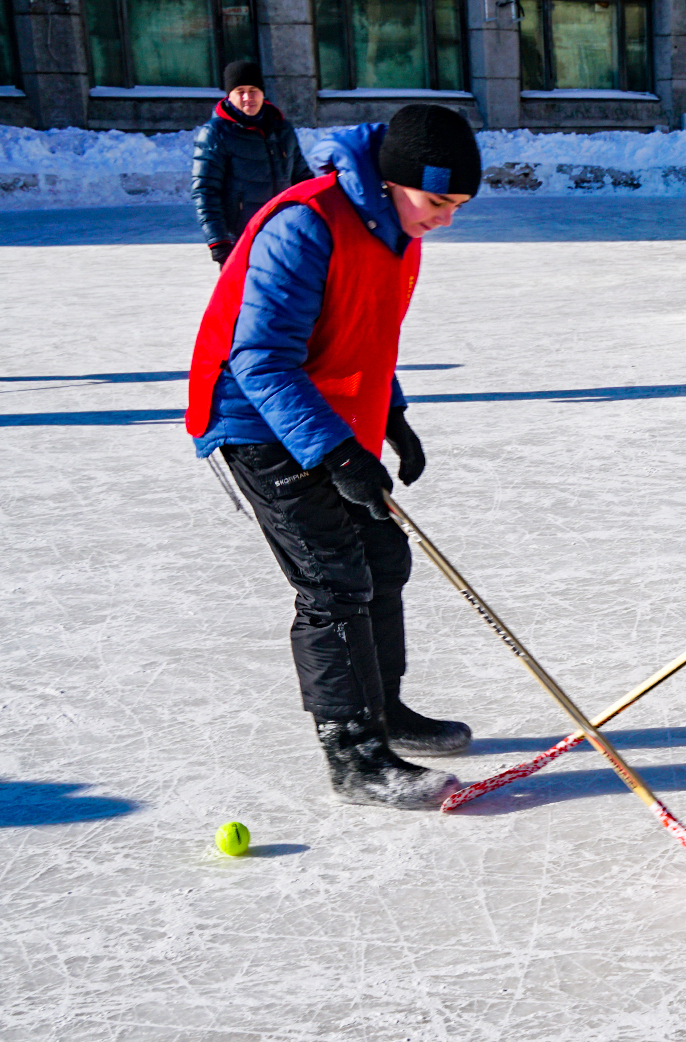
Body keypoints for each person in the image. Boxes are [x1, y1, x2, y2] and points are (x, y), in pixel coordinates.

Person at [186, 105, 482, 809]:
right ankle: (353, 753)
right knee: (334, 581)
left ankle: (383, 710)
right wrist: (339, 453)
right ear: (395, 181)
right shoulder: (306, 224)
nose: (445, 219)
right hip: (257, 419)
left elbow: (365, 327)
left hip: (329, 414)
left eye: (459, 207)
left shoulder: (394, 229)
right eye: (438, 201)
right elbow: (258, 359)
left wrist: (395, 414)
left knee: (383, 558)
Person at [191, 60, 313, 268]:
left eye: (253, 90)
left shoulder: (282, 129)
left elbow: (303, 181)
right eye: (240, 91)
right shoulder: (216, 133)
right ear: (229, 95)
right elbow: (205, 191)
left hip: (283, 235)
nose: (248, 97)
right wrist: (219, 242)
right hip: (240, 240)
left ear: (262, 93)